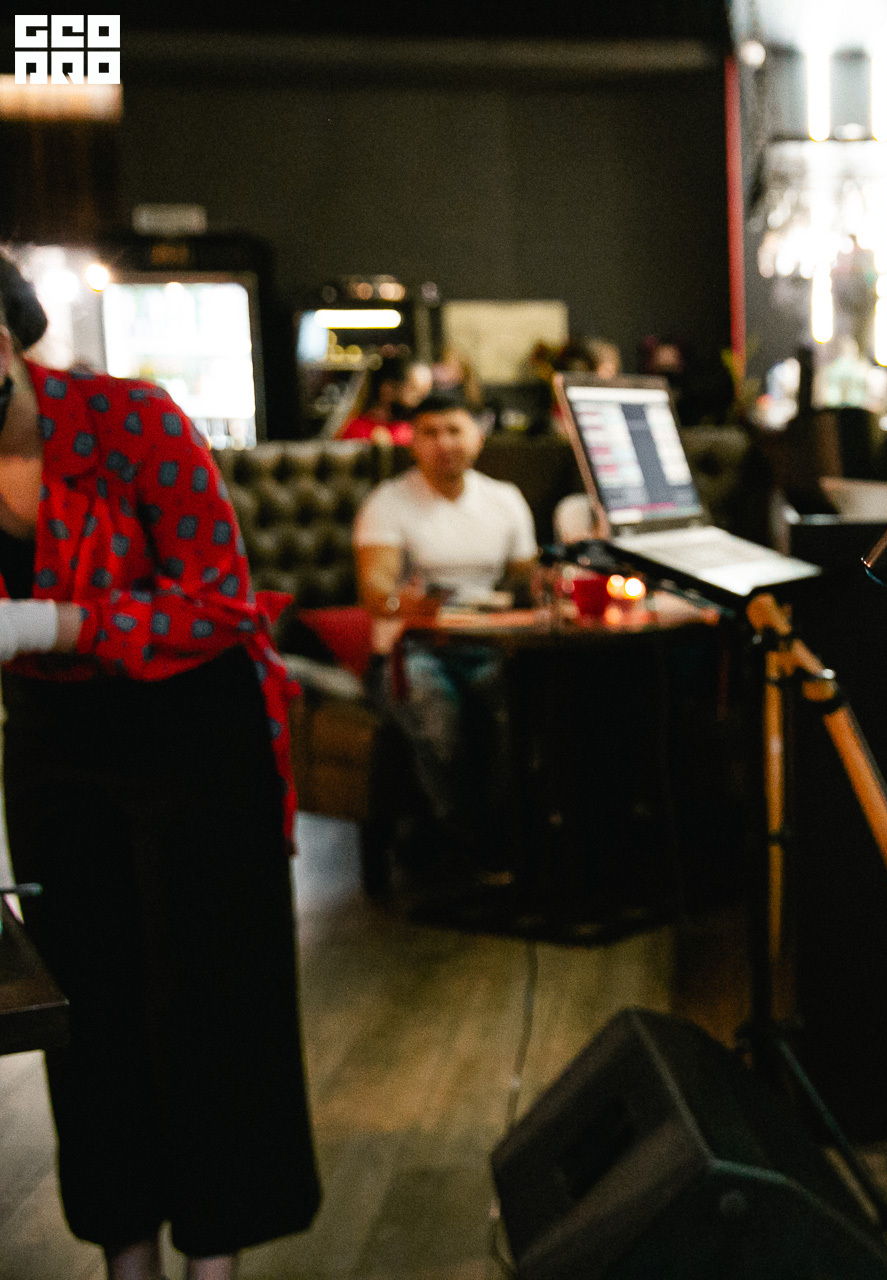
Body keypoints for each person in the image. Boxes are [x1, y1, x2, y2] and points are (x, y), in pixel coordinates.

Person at [0, 250, 319, 1279]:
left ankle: (214, 1259)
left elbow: (220, 602)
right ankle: (124, 1256)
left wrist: (50, 621)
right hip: (52, 736)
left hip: (194, 725)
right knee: (83, 1005)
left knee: (211, 1000)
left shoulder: (129, 419)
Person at [353, 393, 536, 859]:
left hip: (489, 643)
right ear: (413, 442)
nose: (443, 444)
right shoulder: (388, 502)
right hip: (409, 651)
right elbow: (375, 588)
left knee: (520, 708)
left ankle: (512, 832)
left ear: (477, 437)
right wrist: (402, 601)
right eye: (429, 433)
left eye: (454, 431)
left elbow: (525, 583)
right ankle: (458, 836)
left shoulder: (504, 499)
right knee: (439, 716)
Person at [335, 352, 431, 446]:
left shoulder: (415, 427)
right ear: (388, 388)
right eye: (413, 389)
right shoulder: (358, 429)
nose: (420, 400)